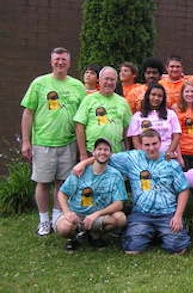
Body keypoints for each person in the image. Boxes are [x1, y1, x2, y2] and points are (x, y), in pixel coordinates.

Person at [73, 129, 190, 254]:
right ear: (140, 145)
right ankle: (152, 232)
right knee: (132, 249)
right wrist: (84, 163)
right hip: (141, 214)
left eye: (154, 144)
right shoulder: (132, 158)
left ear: (160, 143)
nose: (151, 148)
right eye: (147, 145)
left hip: (167, 213)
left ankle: (161, 233)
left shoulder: (170, 163)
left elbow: (183, 189)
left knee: (178, 249)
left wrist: (178, 216)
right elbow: (105, 156)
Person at [21, 47, 86, 236]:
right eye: (57, 59)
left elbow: (83, 116)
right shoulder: (39, 83)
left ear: (69, 62)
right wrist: (26, 141)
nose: (60, 63)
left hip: (68, 143)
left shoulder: (77, 86)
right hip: (43, 142)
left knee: (62, 183)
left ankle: (58, 217)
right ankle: (43, 220)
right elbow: (28, 112)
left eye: (64, 59)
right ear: (51, 61)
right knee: (42, 183)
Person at [56, 138, 127, 252]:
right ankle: (73, 238)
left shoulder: (115, 175)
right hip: (77, 214)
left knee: (120, 218)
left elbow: (119, 204)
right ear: (93, 153)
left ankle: (95, 234)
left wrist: (97, 214)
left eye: (106, 150)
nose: (102, 152)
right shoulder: (80, 171)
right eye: (99, 149)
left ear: (110, 154)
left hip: (97, 217)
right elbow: (62, 193)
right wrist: (67, 213)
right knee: (64, 228)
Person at [74, 66, 132, 161]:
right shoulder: (88, 99)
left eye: (112, 80)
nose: (109, 82)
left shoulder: (123, 102)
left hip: (116, 154)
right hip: (92, 153)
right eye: (106, 79)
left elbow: (127, 129)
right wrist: (83, 154)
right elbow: (79, 126)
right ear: (99, 80)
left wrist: (127, 151)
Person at [127, 83, 181, 158]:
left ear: (163, 98)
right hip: (146, 157)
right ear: (148, 96)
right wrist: (143, 156)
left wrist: (169, 152)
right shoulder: (137, 116)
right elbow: (135, 140)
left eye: (160, 96)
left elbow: (176, 136)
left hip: (167, 157)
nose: (156, 98)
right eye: (153, 94)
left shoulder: (171, 114)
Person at [173, 81, 193, 170]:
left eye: (192, 91)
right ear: (182, 93)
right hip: (183, 151)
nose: (189, 94)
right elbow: (175, 134)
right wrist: (179, 156)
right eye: (187, 91)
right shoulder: (176, 108)